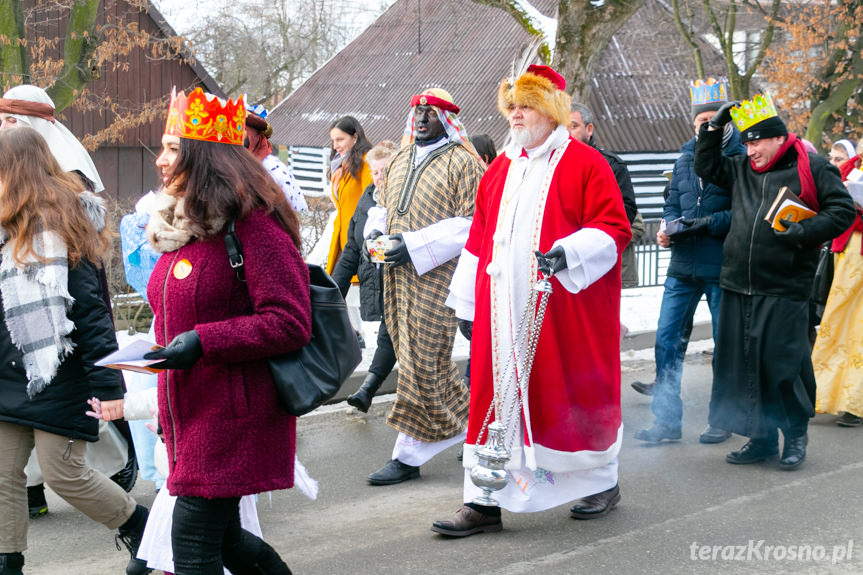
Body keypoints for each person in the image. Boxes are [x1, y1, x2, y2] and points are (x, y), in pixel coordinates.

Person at [432, 65, 631, 537]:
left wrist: (570, 252)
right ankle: (482, 500)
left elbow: (613, 228)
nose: (516, 115)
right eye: (512, 106)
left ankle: (601, 482)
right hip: (499, 312)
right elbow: (479, 240)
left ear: (550, 111)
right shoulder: (500, 166)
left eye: (526, 106)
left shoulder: (586, 163)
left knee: (569, 392)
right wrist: (466, 305)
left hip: (560, 309)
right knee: (491, 397)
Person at [141, 87, 311, 574]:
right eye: (163, 147)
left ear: (204, 156)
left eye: (174, 148)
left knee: (192, 542)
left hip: (233, 414)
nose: (161, 160)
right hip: (189, 411)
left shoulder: (253, 226)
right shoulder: (184, 225)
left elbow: (290, 320)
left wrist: (204, 341)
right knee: (229, 539)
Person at [0, 127, 149, 575]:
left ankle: (147, 530)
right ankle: (8, 562)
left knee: (66, 475)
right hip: (10, 376)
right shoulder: (3, 229)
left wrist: (109, 388)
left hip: (60, 376)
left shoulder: (65, 225)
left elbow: (92, 314)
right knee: (2, 477)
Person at [694, 92, 855, 470]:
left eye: (756, 141)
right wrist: (715, 128)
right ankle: (761, 438)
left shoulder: (813, 167)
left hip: (784, 287)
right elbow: (706, 165)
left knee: (782, 368)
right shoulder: (740, 169)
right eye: (746, 142)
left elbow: (842, 211)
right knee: (743, 368)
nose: (750, 150)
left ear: (779, 138)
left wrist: (802, 231)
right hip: (737, 284)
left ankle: (794, 435)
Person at [366, 88, 484, 485]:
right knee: (412, 356)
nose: (419, 120)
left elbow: (472, 224)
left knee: (425, 358)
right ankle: (476, 421)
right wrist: (375, 236)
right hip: (396, 274)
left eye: (429, 115)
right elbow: (381, 207)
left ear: (447, 119)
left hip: (439, 277)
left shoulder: (465, 163)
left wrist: (413, 245)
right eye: (416, 113)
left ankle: (408, 455)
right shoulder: (399, 158)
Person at [634, 78, 743, 445]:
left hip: (721, 267)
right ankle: (666, 422)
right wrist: (667, 227)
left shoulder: (740, 160)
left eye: (715, 118)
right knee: (666, 341)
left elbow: (741, 214)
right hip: (681, 268)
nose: (707, 125)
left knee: (724, 345)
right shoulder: (683, 159)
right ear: (693, 123)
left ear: (727, 120)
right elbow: (671, 203)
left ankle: (722, 419)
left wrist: (702, 225)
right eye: (701, 120)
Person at [331, 141, 400, 412]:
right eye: (374, 171)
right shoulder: (368, 197)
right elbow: (352, 247)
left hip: (401, 279)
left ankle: (368, 389)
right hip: (376, 279)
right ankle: (370, 389)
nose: (377, 177)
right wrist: (336, 287)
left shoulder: (403, 200)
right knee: (389, 334)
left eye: (383, 171)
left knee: (389, 335)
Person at [812, 145, 863, 428]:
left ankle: (856, 403)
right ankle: (825, 394)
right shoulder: (854, 169)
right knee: (838, 323)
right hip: (847, 255)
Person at [568, 102, 644, 288]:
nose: (567, 133)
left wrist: (592, 238)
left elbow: (626, 210)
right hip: (565, 261)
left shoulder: (612, 166)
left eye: (573, 126)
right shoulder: (550, 167)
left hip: (600, 260)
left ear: (589, 129)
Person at [326, 116, 372, 275]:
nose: (335, 145)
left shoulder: (366, 161)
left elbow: (371, 201)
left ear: (355, 137)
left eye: (340, 139)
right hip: (340, 238)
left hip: (358, 240)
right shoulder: (340, 165)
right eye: (333, 140)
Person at [244, 105, 307, 212]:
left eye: (243, 130)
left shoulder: (273, 170)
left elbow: (289, 214)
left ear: (254, 135)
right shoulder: (234, 163)